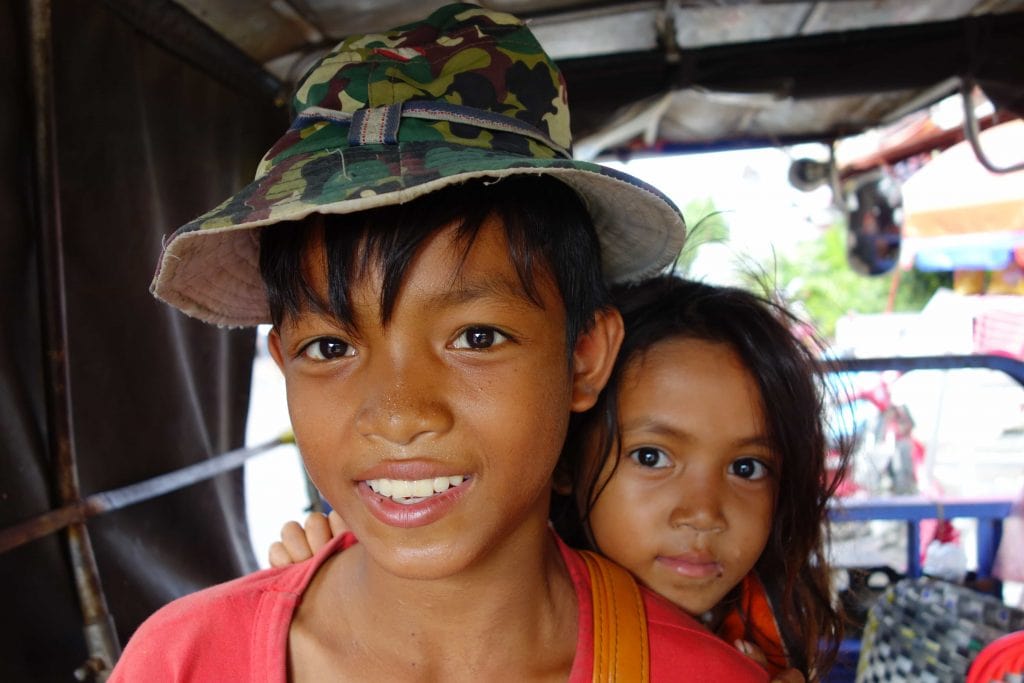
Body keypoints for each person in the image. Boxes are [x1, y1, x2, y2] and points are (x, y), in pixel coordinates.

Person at [111, 4, 766, 681]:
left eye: (476, 336)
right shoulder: (180, 659)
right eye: (330, 348)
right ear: (283, 366)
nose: (399, 413)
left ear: (583, 357)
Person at [273, 276, 847, 681]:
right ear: (568, 460)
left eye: (747, 468)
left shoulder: (761, 638)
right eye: (651, 458)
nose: (702, 511)